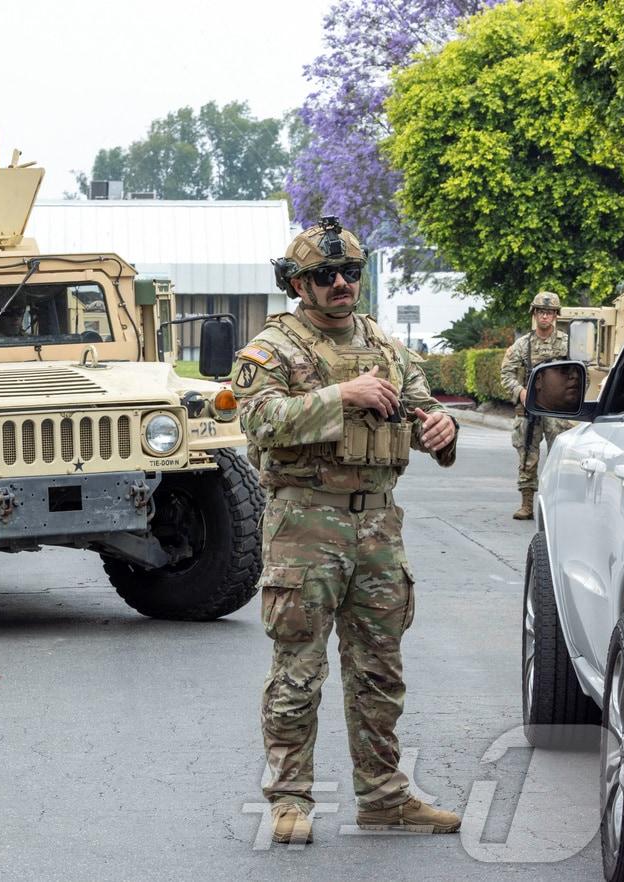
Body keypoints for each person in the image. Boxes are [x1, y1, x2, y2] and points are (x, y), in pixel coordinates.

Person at [234, 217, 461, 845]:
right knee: (297, 671)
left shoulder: (388, 348)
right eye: (325, 275)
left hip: (379, 523)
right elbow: (259, 420)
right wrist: (342, 394)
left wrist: (441, 428)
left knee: (380, 669)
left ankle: (384, 797)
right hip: (305, 521)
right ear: (297, 285)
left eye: (351, 273)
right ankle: (289, 799)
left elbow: (421, 408)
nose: (341, 283)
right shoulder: (272, 349)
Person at [499, 292, 570, 520]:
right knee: (527, 455)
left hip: (556, 408)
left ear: (555, 315)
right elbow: (506, 373)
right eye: (541, 312)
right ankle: (527, 504)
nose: (545, 316)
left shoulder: (566, 344)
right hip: (529, 408)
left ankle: (558, 504)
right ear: (534, 314)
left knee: (560, 455)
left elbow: (580, 373)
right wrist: (520, 391)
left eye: (549, 312)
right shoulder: (523, 345)